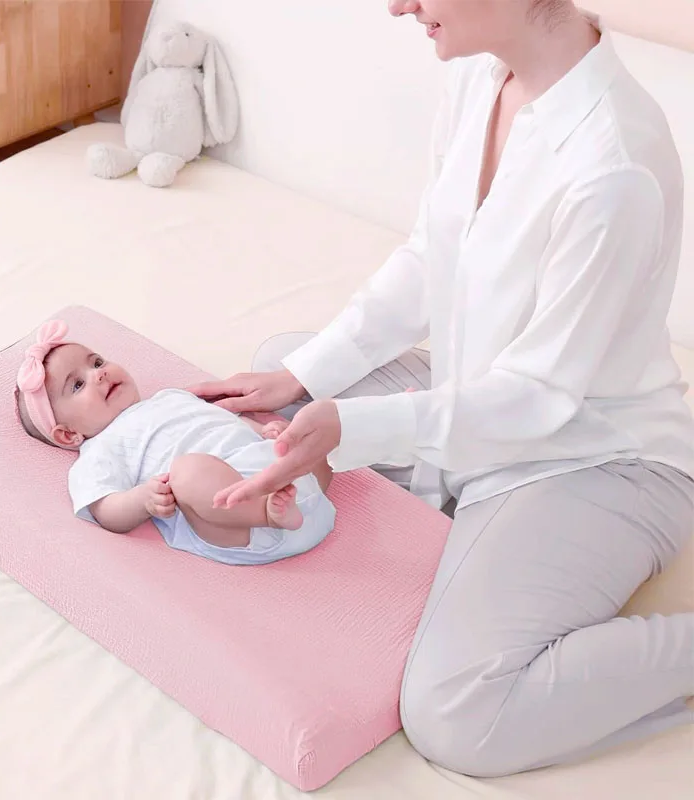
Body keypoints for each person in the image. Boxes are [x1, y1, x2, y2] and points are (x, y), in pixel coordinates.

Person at [188, 0, 694, 778]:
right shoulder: (481, 79)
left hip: (588, 455)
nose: (400, 5)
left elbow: (540, 397)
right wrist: (305, 375)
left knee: (456, 714)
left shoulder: (614, 166)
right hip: (484, 401)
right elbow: (431, 256)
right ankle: (439, 497)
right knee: (286, 375)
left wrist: (356, 427)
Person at [14, 320, 335, 567]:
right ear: (68, 434)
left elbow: (223, 424)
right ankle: (265, 512)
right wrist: (143, 500)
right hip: (240, 526)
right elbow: (105, 510)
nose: (99, 374)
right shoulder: (98, 451)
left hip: (284, 482)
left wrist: (264, 432)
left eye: (97, 362)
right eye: (78, 385)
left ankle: (315, 477)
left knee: (309, 426)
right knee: (188, 472)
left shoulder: (170, 397)